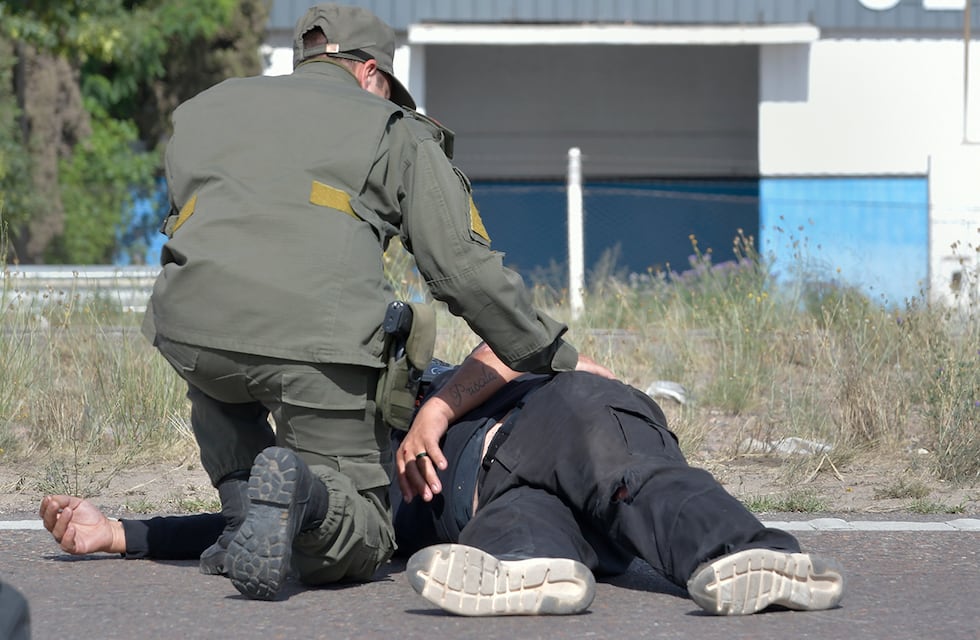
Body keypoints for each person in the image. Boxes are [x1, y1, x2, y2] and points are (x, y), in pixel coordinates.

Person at [142, 2, 611, 601]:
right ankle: (304, 499)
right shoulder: (394, 128)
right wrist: (552, 353)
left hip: (187, 329)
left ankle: (241, 516)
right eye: (387, 85)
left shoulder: (206, 110)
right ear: (370, 74)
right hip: (311, 343)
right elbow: (464, 273)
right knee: (362, 535)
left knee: (218, 361)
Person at [41, 346, 844, 616]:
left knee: (623, 472)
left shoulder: (449, 379)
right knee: (516, 542)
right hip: (505, 496)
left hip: (569, 419)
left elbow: (540, 353)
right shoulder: (373, 489)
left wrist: (439, 410)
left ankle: (747, 555)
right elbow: (264, 519)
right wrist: (121, 533)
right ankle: (531, 575)